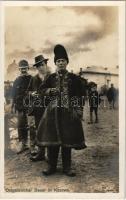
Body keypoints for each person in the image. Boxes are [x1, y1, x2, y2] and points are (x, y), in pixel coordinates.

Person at [37, 44, 87, 176]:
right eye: (58, 61)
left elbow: (80, 94)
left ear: (67, 62)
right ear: (55, 63)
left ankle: (67, 168)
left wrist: (78, 110)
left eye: (63, 61)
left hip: (68, 113)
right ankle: (51, 167)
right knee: (51, 140)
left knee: (67, 141)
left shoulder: (74, 78)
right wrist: (49, 91)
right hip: (52, 113)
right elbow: (41, 90)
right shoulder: (50, 78)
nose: (60, 63)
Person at [28, 55, 50, 161]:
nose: (40, 68)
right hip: (38, 109)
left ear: (46, 65)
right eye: (38, 66)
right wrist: (32, 93)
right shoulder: (34, 79)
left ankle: (50, 155)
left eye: (42, 65)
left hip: (49, 108)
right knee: (39, 130)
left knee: (50, 131)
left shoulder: (52, 77)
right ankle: (41, 153)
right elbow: (28, 91)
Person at [11, 60, 32, 154]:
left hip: (30, 106)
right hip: (20, 107)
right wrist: (14, 105)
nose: (23, 70)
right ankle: (23, 143)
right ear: (19, 69)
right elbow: (13, 94)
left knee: (32, 126)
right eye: (21, 69)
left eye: (25, 68)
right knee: (21, 125)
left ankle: (33, 145)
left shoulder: (32, 79)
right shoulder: (16, 80)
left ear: (28, 68)